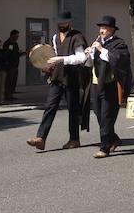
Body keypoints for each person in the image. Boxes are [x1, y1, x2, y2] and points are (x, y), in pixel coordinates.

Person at [26, 12, 91, 151]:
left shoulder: (77, 36)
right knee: (50, 106)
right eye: (60, 23)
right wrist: (48, 66)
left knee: (73, 109)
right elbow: (54, 55)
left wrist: (61, 59)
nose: (61, 25)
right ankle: (41, 138)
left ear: (69, 22)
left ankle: (74, 139)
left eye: (64, 22)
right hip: (57, 77)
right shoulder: (55, 37)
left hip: (72, 77)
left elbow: (81, 58)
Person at [85, 15, 132, 159]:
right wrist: (89, 54)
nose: (102, 31)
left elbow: (118, 60)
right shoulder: (97, 42)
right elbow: (89, 64)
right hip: (95, 83)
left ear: (111, 30)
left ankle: (104, 147)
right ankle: (114, 138)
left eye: (105, 28)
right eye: (101, 28)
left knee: (106, 116)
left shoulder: (119, 43)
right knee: (98, 113)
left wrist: (101, 49)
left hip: (110, 85)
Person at [3, 30, 25, 102]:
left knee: (13, 81)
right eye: (16, 36)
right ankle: (7, 95)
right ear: (12, 35)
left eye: (18, 36)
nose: (17, 37)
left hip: (15, 65)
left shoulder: (15, 44)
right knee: (9, 81)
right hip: (10, 66)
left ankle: (11, 95)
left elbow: (16, 54)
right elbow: (7, 54)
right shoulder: (8, 43)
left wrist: (22, 53)